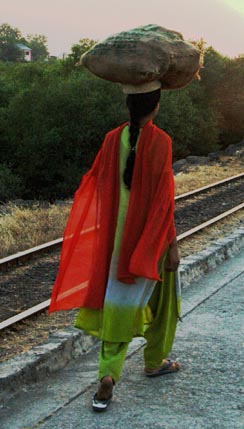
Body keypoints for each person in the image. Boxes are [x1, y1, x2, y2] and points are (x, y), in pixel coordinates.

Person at [49, 82, 181, 412]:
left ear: (129, 106)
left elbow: (98, 188)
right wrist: (172, 246)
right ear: (157, 106)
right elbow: (164, 201)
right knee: (163, 304)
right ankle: (153, 362)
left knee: (118, 305)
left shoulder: (111, 140)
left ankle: (109, 372)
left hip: (115, 245)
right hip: (151, 242)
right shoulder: (161, 142)